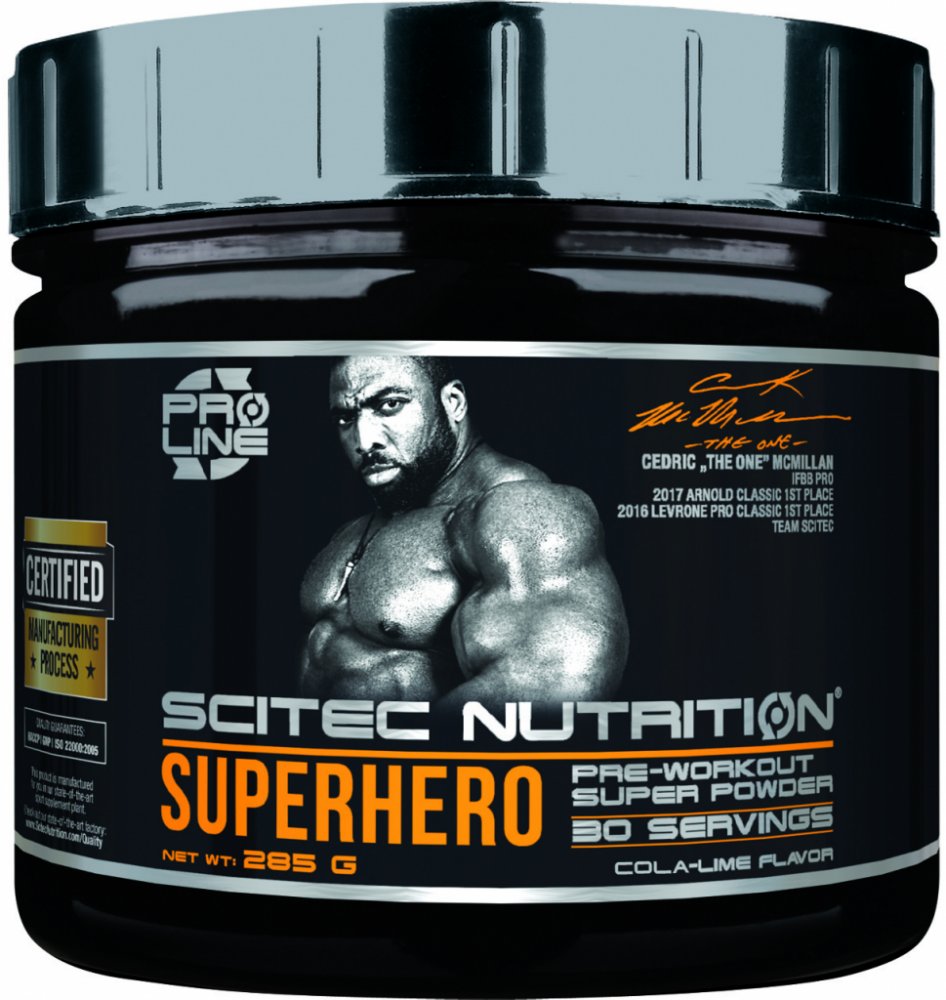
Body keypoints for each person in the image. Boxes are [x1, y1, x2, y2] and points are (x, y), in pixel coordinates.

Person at [300, 355, 628, 708]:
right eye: (346, 418)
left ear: (453, 403)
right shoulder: (370, 521)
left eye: (389, 405)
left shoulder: (520, 511)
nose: (364, 441)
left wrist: (407, 744)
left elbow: (554, 676)